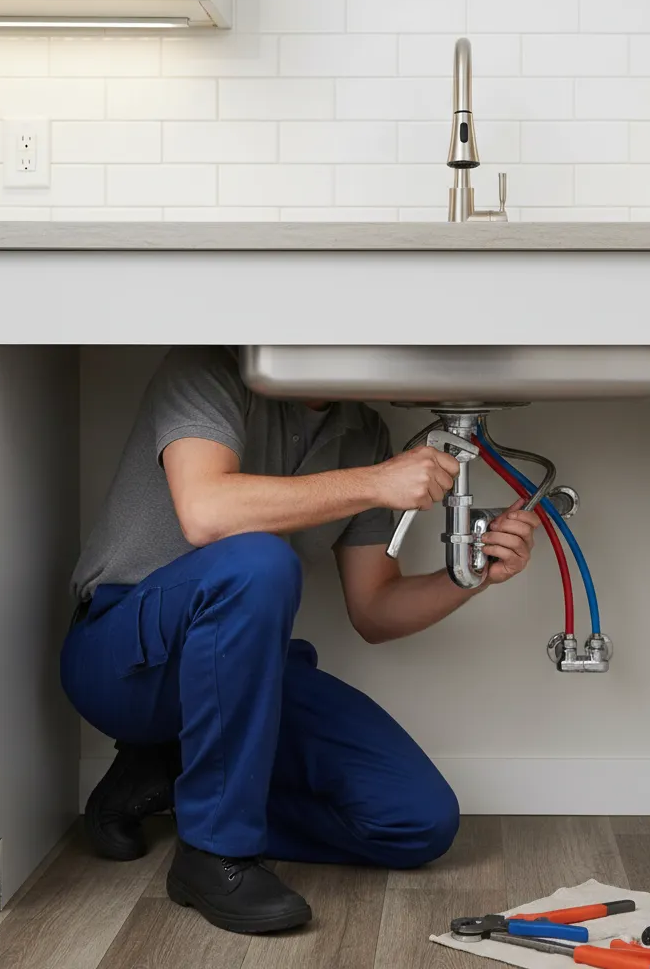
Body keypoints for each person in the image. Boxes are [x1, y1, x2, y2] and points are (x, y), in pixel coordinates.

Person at [61, 346, 537, 934]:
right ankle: (215, 853)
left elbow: (375, 610)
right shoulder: (208, 371)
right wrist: (376, 483)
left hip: (246, 671)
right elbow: (206, 511)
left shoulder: (361, 430)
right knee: (258, 560)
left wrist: (474, 576)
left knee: (416, 820)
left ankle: (173, 778)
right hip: (122, 663)